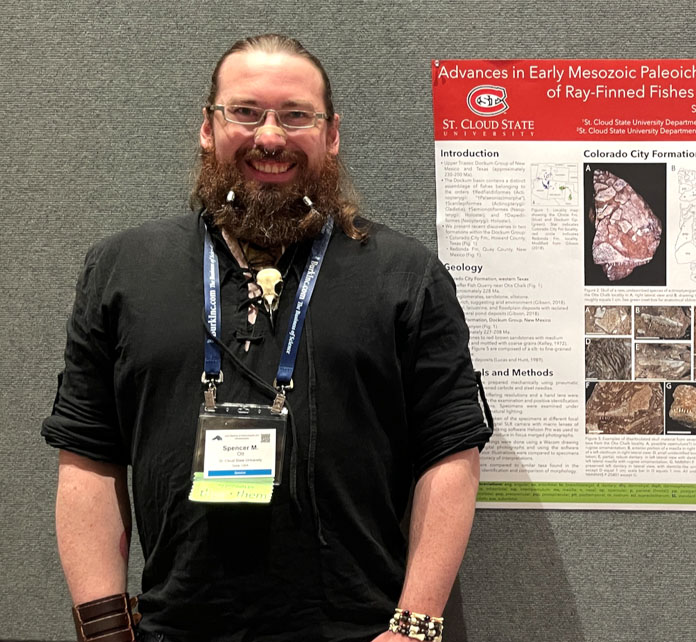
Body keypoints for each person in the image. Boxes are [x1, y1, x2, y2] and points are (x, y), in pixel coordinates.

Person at [42, 34, 491, 642]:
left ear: (332, 135)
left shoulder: (405, 274)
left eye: (296, 115)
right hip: (174, 630)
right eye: (246, 112)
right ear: (208, 127)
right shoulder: (121, 269)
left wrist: (414, 628)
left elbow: (451, 452)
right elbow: (89, 455)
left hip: (359, 630)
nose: (271, 136)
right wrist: (103, 633)